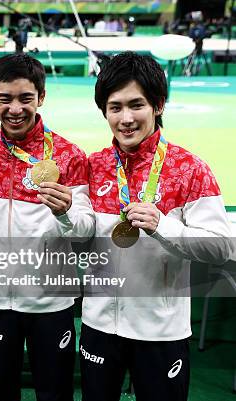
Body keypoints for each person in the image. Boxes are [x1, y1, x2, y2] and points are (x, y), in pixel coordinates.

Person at [81, 51, 233, 401]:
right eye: (115, 107)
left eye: (137, 105)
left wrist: (163, 226)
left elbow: (222, 246)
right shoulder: (93, 166)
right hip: (99, 323)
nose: (126, 118)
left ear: (158, 105)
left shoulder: (190, 169)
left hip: (161, 331)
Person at [0, 53, 94, 401]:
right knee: (0, 390)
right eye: (5, 99)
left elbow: (85, 231)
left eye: (25, 98)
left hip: (51, 302)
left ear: (40, 97)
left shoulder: (69, 156)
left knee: (54, 392)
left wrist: (66, 212)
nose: (15, 109)